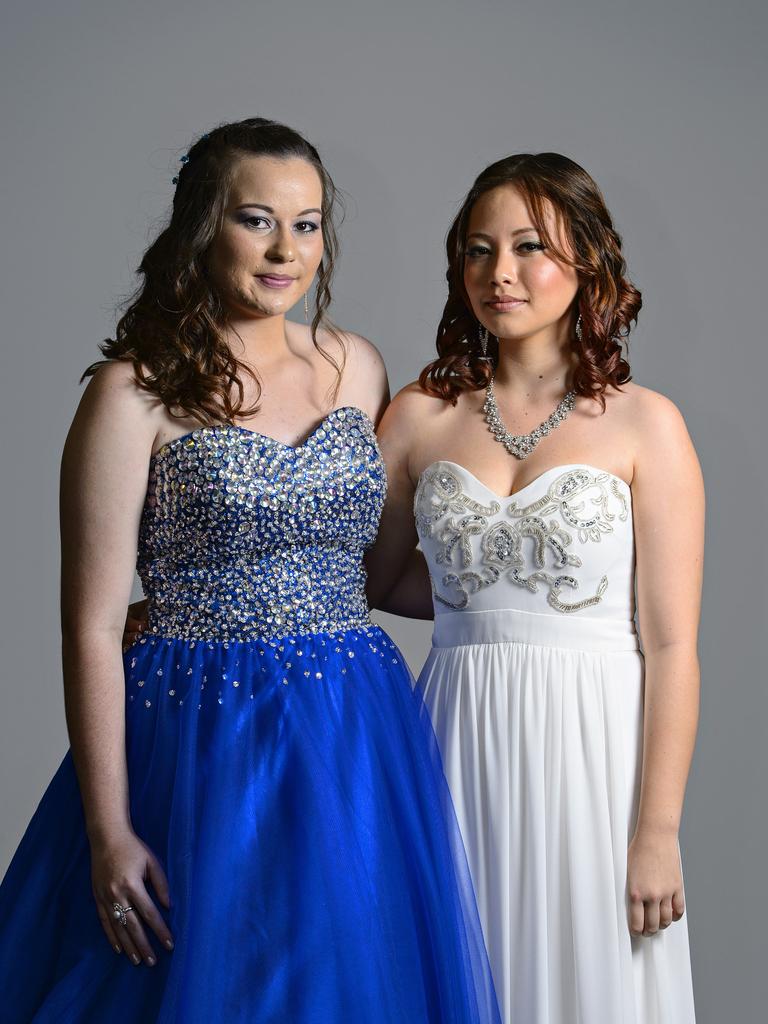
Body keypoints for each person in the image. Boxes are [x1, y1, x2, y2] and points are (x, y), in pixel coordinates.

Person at [0, 119, 500, 1023]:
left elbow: (399, 563)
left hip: (353, 722)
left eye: (307, 225)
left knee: (345, 980)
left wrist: (551, 596)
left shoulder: (358, 367)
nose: (285, 250)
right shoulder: (133, 392)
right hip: (198, 727)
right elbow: (90, 623)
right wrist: (107, 829)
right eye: (257, 220)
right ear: (205, 225)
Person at [368, 153, 702, 1023]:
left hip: (595, 745)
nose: (499, 274)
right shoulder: (417, 416)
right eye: (478, 251)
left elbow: (671, 646)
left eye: (528, 247)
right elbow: (372, 581)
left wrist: (657, 832)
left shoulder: (646, 424)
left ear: (588, 260)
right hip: (454, 730)